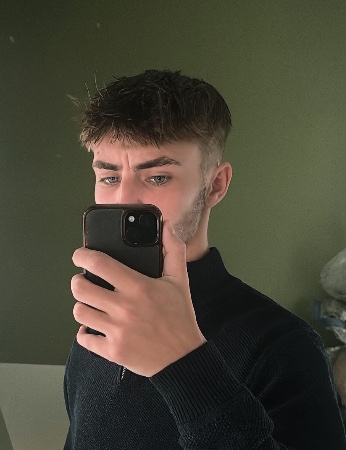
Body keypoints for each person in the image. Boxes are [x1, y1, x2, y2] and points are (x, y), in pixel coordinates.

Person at [63, 69, 346, 449]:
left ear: (216, 185)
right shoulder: (99, 323)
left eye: (158, 177)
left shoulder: (284, 346)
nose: (124, 199)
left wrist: (183, 366)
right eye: (110, 177)